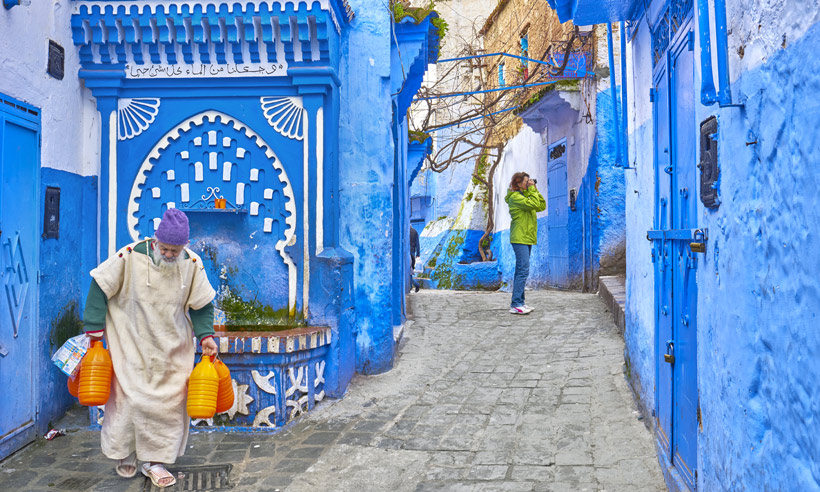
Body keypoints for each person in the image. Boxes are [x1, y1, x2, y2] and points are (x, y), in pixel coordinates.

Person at [82, 209, 217, 488]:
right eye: (165, 249)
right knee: (129, 400)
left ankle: (155, 461)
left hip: (171, 347)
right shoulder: (128, 256)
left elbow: (202, 304)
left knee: (168, 403)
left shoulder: (192, 263)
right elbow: (100, 285)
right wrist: (94, 327)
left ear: (185, 246)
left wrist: (206, 337)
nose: (169, 255)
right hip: (131, 342)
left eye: (175, 250)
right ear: (156, 241)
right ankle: (126, 453)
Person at [505, 172, 546, 314]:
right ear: (519, 184)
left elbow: (541, 205)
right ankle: (516, 303)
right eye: (526, 182)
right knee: (523, 270)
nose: (529, 183)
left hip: (525, 237)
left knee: (521, 270)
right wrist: (532, 190)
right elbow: (534, 203)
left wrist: (534, 190)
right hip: (519, 237)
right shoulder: (515, 198)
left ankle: (519, 302)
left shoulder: (524, 196)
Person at [409, 226, 421, 293]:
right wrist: (418, 254)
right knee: (410, 270)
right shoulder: (414, 231)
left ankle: (414, 285)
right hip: (413, 252)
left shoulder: (405, 231)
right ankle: (411, 286)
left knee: (408, 271)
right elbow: (417, 243)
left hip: (407, 252)